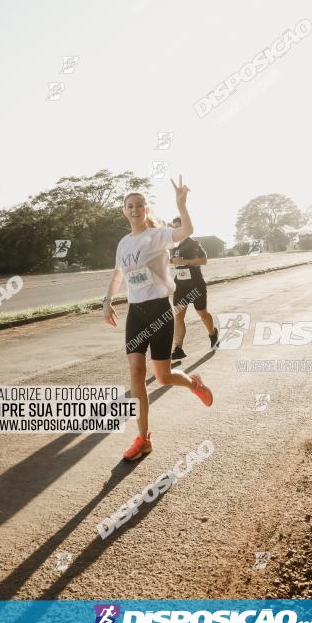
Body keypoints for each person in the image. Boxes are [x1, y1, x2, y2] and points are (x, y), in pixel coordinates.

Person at [103, 177, 213, 462]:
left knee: (163, 376)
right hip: (136, 312)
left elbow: (187, 230)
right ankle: (143, 438)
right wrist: (107, 301)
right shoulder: (123, 243)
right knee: (137, 371)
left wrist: (181, 205)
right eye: (130, 205)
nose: (135, 208)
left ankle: (193, 383)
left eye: (140, 204)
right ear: (123, 211)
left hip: (159, 310)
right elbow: (118, 275)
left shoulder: (159, 235)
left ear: (146, 208)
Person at [170, 216, 219, 360]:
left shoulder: (193, 243)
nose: (176, 229)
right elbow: (171, 260)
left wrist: (186, 261)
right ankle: (178, 348)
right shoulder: (173, 245)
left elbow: (204, 260)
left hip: (195, 284)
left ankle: (212, 333)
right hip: (180, 285)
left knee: (202, 313)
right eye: (174, 227)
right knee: (179, 316)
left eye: (179, 226)